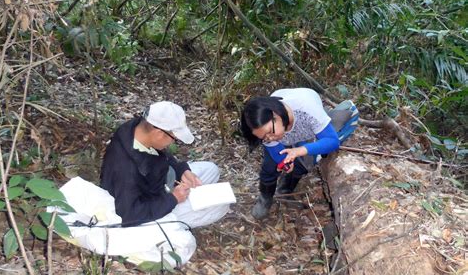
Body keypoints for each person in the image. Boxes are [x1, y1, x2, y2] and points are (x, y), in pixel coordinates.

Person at [100, 101, 229, 228]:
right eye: (173, 138)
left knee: (212, 169)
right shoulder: (125, 169)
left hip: (159, 183)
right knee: (221, 208)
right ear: (159, 133)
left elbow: (162, 157)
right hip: (148, 208)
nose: (173, 142)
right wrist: (174, 199)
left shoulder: (138, 128)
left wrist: (182, 171)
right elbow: (129, 214)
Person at [240, 88, 358, 220]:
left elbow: (332, 141)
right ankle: (265, 198)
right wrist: (284, 161)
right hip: (288, 128)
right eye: (264, 137)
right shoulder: (265, 128)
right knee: (269, 167)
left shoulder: (308, 111)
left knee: (304, 162)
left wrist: (300, 151)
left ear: (276, 115)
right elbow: (276, 151)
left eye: (270, 132)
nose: (270, 138)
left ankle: (285, 189)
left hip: (306, 128)